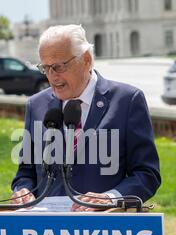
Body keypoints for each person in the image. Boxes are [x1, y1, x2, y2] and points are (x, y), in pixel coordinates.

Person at [11, 24, 161, 211]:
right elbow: (25, 172)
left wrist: (110, 197)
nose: (52, 77)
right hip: (47, 231)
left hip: (106, 230)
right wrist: (22, 190)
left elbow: (147, 174)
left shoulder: (127, 101)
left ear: (87, 60)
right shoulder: (36, 105)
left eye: (58, 67)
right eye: (45, 68)